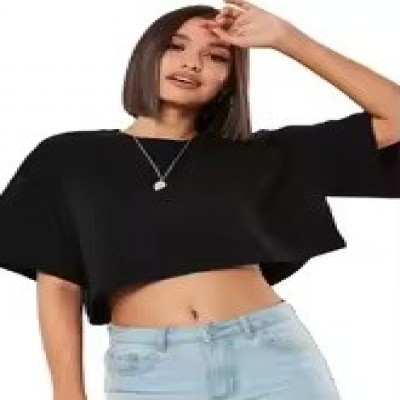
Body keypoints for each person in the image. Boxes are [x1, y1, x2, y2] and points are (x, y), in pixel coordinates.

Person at [0, 1, 399, 399]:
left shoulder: (257, 155)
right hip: (152, 372)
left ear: (229, 80)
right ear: (146, 55)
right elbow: (59, 283)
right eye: (176, 46)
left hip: (272, 358)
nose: (192, 63)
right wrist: (68, 393)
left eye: (216, 56)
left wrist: (286, 38)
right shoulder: (68, 158)